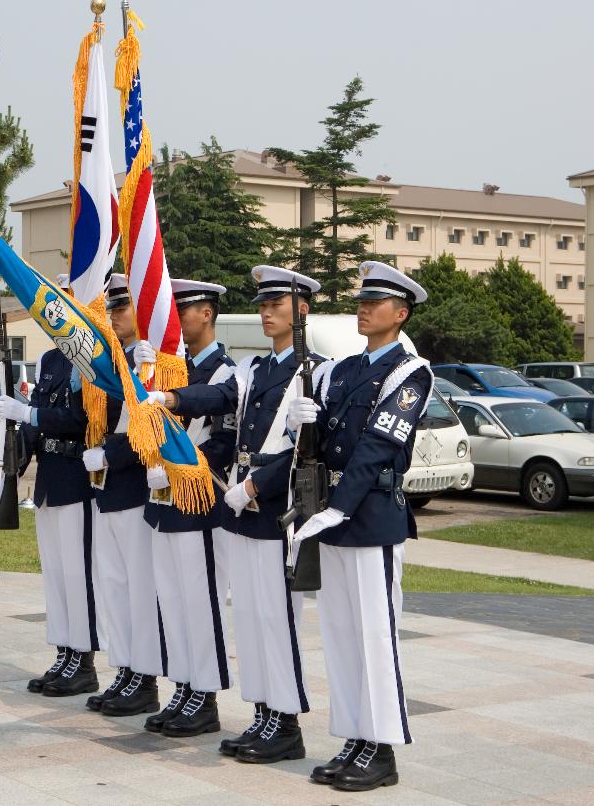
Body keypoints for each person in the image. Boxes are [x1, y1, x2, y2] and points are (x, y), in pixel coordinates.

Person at [148, 265, 321, 763]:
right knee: (248, 617)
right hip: (239, 509)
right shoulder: (254, 370)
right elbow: (219, 396)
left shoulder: (314, 372)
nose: (266, 312)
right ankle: (264, 713)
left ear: (302, 310)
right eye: (263, 305)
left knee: (276, 618)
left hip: (274, 510)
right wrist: (172, 396)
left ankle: (286, 722)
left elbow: (303, 448)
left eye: (277, 304)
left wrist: (255, 485)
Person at [285, 261, 431, 792]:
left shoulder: (410, 372)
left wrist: (340, 507)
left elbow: (378, 447)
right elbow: (323, 438)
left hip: (368, 517)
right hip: (332, 515)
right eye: (361, 300)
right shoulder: (341, 369)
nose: (364, 309)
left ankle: (383, 746)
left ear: (401, 313)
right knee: (342, 637)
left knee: (375, 636)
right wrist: (306, 419)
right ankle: (354, 736)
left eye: (376, 302)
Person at [140, 279, 235, 738]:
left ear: (207, 314)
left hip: (199, 504)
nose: (176, 318)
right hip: (162, 500)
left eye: (185, 309)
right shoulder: (167, 368)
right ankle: (184, 684)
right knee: (172, 600)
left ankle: (206, 694)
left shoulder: (224, 371)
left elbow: (224, 441)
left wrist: (180, 467)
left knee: (200, 601)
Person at [0, 275, 101, 697]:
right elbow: (37, 420)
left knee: (78, 575)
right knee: (56, 575)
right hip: (48, 477)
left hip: (76, 477)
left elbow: (82, 420)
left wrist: (30, 415)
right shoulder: (48, 361)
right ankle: (63, 651)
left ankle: (84, 659)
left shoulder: (89, 358)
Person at [82, 274, 163, 717]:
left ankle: (145, 677)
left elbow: (149, 426)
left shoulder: (152, 361)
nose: (114, 314)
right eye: (111, 307)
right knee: (112, 584)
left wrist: (109, 452)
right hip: (107, 489)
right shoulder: (112, 359)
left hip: (134, 486)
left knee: (137, 587)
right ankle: (126, 669)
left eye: (122, 306)